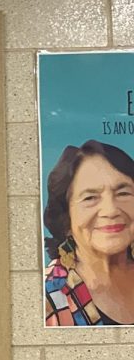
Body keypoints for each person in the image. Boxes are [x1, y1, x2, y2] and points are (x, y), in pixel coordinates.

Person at [44, 139, 134, 325]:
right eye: (90, 197)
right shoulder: (48, 296)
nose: (111, 210)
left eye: (123, 193)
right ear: (65, 219)